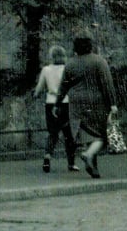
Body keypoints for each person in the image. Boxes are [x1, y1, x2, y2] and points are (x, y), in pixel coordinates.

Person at [55, 35, 118, 179]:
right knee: (100, 135)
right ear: (90, 46)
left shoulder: (70, 63)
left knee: (84, 133)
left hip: (75, 101)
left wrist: (58, 103)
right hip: (96, 101)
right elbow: (107, 84)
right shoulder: (99, 61)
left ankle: (93, 167)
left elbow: (64, 85)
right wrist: (113, 103)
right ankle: (88, 155)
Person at [34, 45, 78, 173]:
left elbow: (39, 88)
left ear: (51, 57)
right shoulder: (68, 69)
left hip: (51, 103)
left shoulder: (46, 70)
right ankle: (71, 163)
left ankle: (47, 157)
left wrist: (36, 95)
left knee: (53, 133)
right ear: (64, 56)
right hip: (66, 103)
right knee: (68, 134)